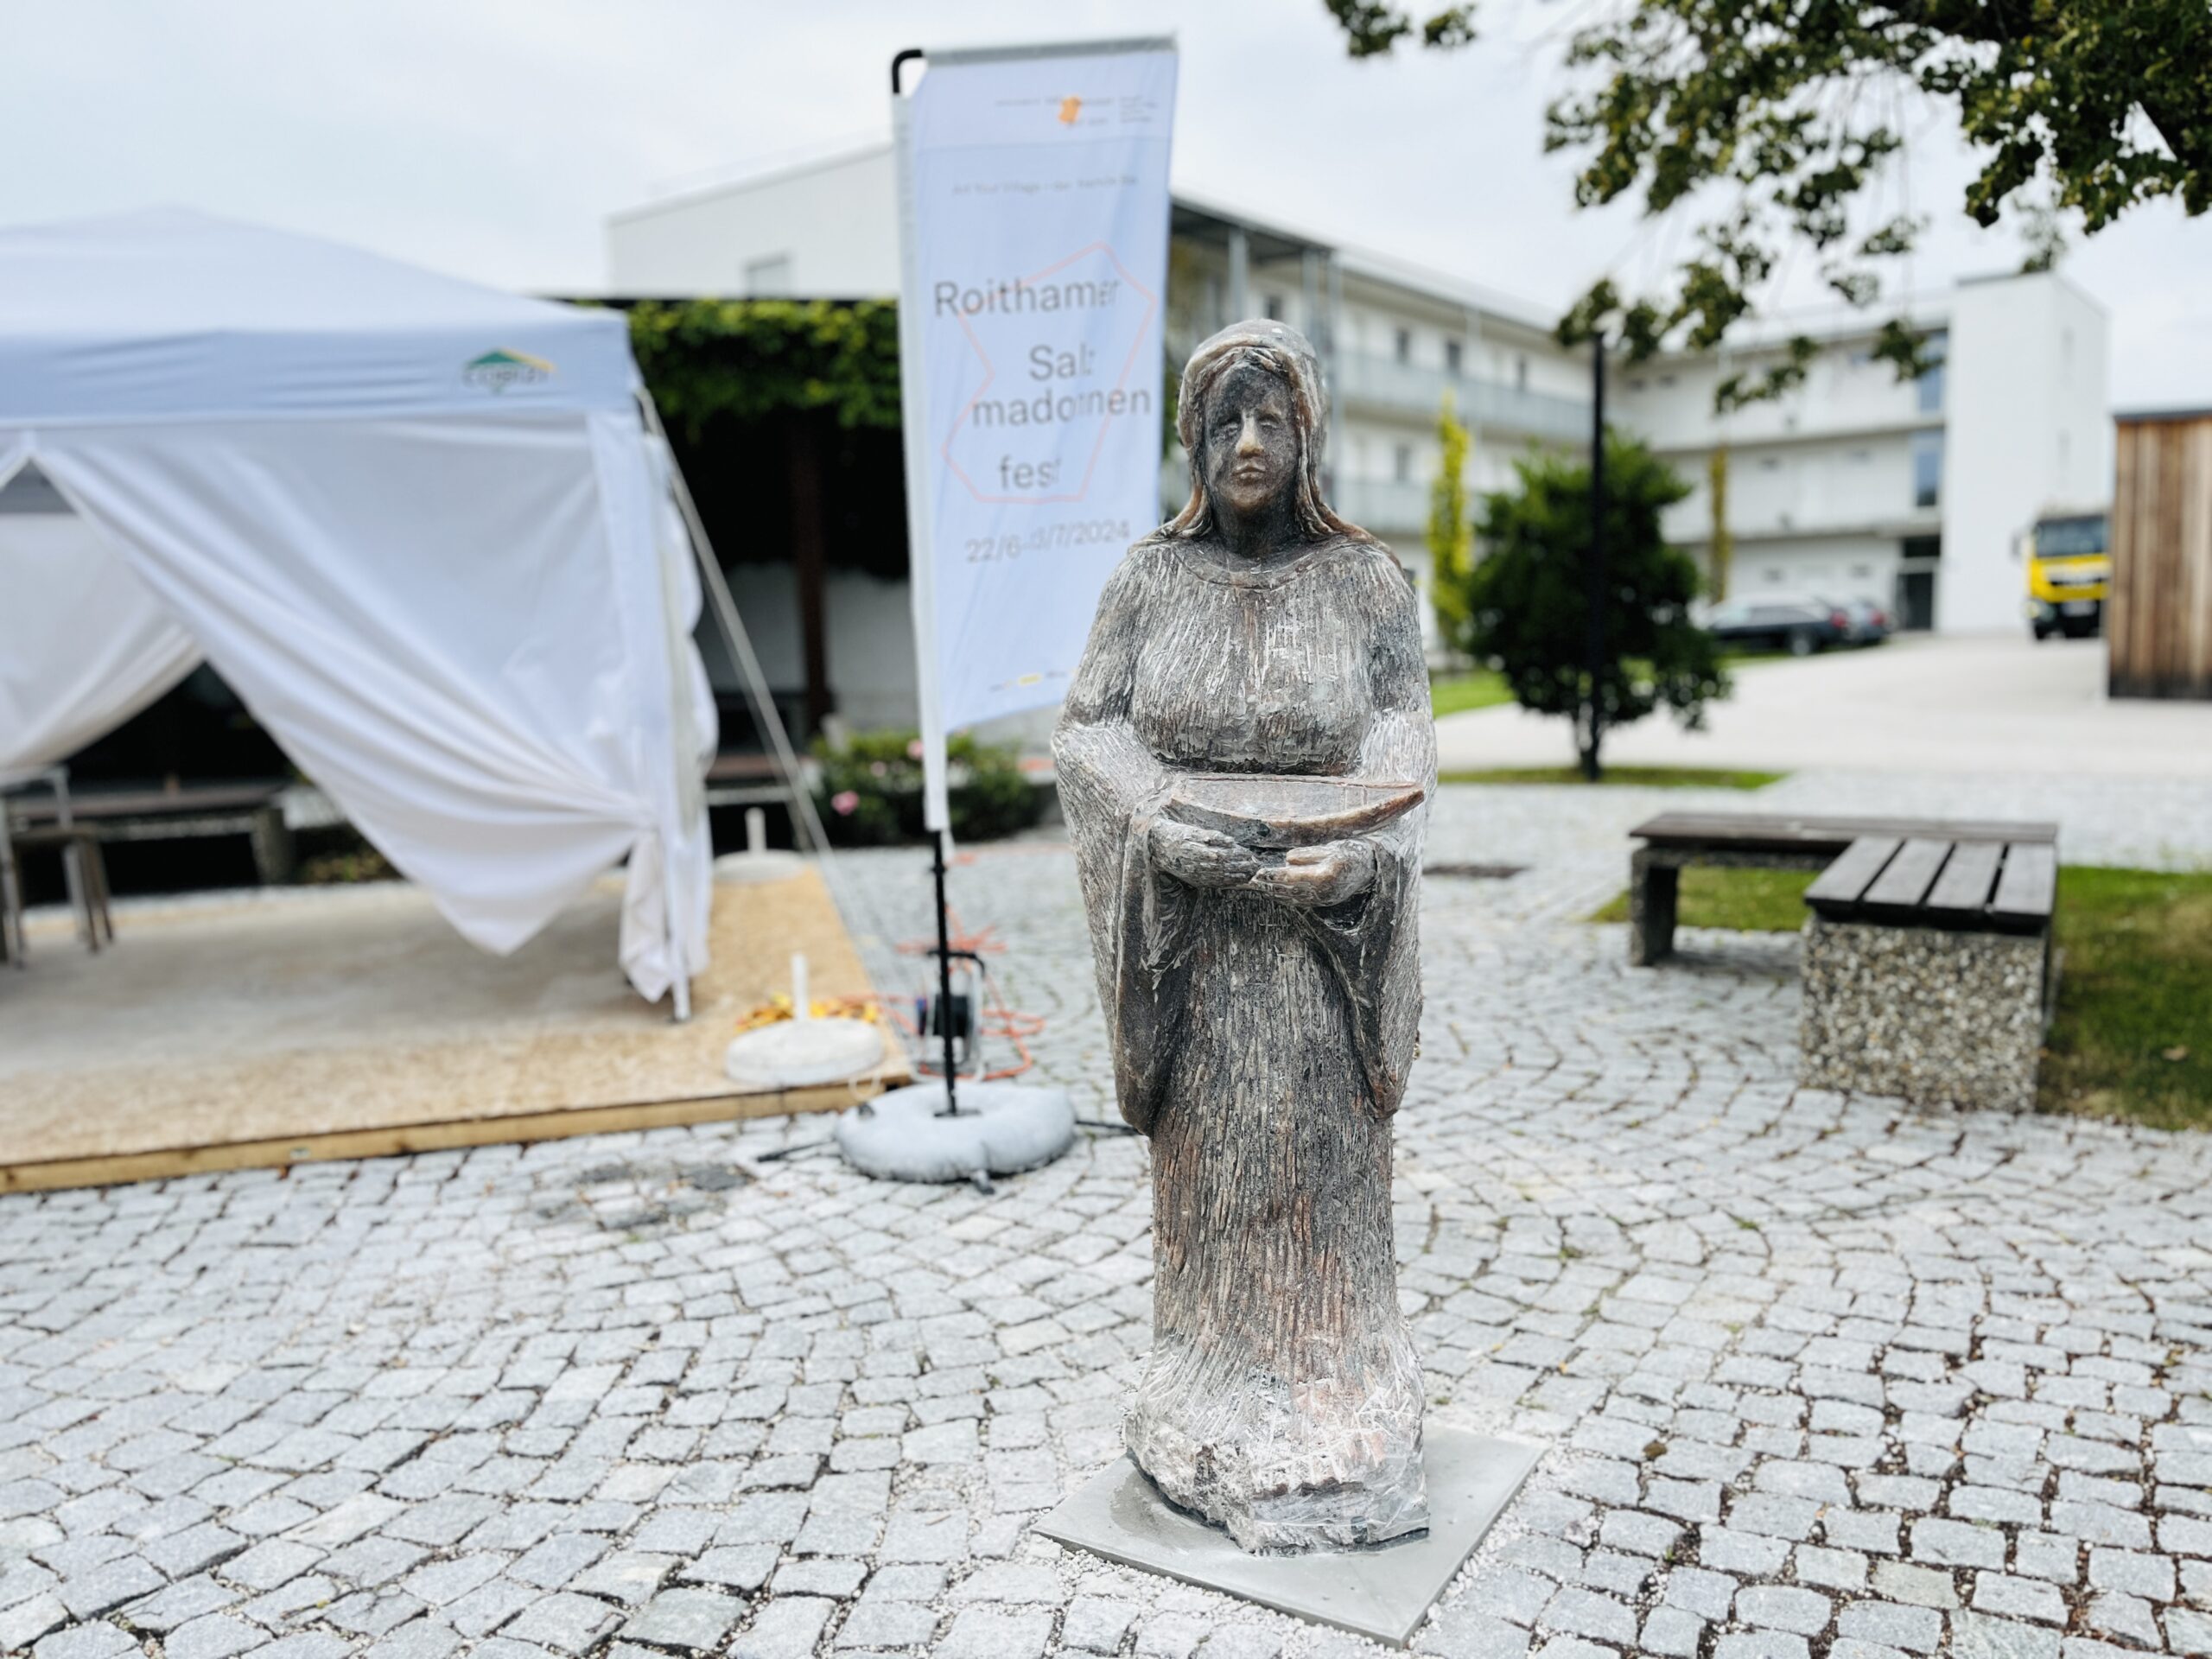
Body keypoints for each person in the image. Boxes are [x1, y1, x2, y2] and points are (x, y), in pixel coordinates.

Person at [1053, 319, 1436, 1552]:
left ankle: (1342, 1382)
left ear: (1309, 434)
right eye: (1227, 422)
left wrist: (1365, 864)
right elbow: (1090, 730)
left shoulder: (1368, 584)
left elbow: (1403, 742)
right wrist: (1155, 826)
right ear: (1194, 440)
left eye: (1273, 419)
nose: (1251, 443)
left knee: (1319, 1170)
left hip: (1319, 955)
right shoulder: (1146, 582)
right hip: (1196, 944)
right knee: (1213, 1175)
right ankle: (1205, 1379)